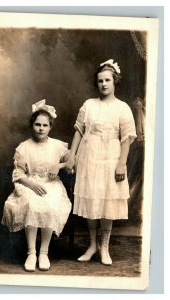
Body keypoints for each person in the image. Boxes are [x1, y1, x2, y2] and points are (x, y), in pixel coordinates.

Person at [66, 59, 137, 265]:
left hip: (111, 159)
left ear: (115, 81)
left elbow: (127, 139)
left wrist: (121, 163)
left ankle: (104, 247)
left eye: (107, 80)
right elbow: (79, 131)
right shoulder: (89, 105)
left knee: (106, 201)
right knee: (92, 199)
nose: (104, 84)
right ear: (96, 83)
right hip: (90, 158)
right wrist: (72, 156)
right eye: (100, 81)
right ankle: (92, 245)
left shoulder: (122, 108)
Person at [2, 99, 72, 272]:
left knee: (49, 204)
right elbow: (18, 174)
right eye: (37, 124)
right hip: (28, 183)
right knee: (32, 203)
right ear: (31, 125)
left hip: (51, 183)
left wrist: (59, 165)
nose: (41, 128)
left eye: (45, 125)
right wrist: (32, 186)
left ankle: (44, 252)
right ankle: (31, 252)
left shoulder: (57, 145)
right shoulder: (23, 147)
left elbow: (73, 161)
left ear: (50, 127)